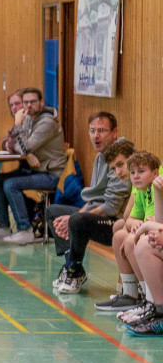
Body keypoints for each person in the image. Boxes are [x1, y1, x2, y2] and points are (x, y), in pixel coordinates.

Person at [49, 112, 131, 289]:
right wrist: (75, 215)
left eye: (101, 130)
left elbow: (111, 207)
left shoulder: (121, 158)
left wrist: (74, 218)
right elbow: (95, 198)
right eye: (92, 130)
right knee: (53, 211)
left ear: (114, 133)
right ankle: (72, 267)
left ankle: (73, 270)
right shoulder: (102, 156)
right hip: (103, 215)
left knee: (78, 221)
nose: (96, 136)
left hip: (115, 222)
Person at [0, 87, 65, 244]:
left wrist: (19, 129)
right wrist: (25, 152)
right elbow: (11, 141)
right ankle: (3, 227)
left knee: (11, 184)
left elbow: (26, 146)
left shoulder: (47, 122)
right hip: (35, 171)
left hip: (50, 175)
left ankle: (25, 230)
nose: (29, 105)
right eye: (26, 102)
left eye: (33, 102)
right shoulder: (30, 119)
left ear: (41, 102)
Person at [105, 151, 163, 318]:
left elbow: (154, 222)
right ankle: (132, 294)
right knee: (120, 235)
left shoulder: (156, 184)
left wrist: (141, 227)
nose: (136, 176)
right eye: (133, 172)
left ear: (155, 173)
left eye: (141, 171)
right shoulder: (141, 190)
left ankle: (151, 301)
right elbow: (129, 218)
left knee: (133, 241)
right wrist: (136, 224)